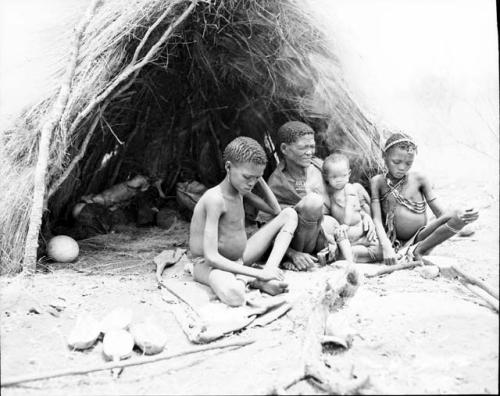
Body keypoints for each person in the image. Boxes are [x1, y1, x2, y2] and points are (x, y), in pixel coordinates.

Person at [189, 137, 298, 307]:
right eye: (247, 177)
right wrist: (256, 273)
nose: (252, 183)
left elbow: (276, 210)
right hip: (209, 265)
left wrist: (256, 175)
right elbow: (211, 257)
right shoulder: (215, 199)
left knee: (289, 214)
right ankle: (254, 278)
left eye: (256, 178)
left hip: (239, 259)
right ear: (228, 167)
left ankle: (267, 271)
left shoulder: (240, 189)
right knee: (235, 295)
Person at [370, 132, 479, 265]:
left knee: (458, 214)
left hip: (421, 237)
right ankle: (405, 252)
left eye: (408, 163)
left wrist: (458, 219)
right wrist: (386, 247)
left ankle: (419, 251)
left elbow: (440, 214)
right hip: (392, 243)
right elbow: (376, 219)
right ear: (384, 155)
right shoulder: (378, 182)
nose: (402, 167)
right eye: (396, 162)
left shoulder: (419, 179)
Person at [266, 121, 354, 271]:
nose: (309, 152)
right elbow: (268, 228)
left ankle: (333, 255)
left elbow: (346, 189)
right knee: (313, 201)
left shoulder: (321, 166)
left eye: (312, 146)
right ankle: (296, 258)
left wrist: (364, 215)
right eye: (303, 147)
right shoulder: (277, 182)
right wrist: (293, 254)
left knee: (374, 246)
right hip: (298, 240)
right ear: (284, 149)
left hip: (330, 232)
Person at [322, 153, 382, 263]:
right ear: (326, 177)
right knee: (339, 235)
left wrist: (345, 223)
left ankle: (343, 255)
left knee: (379, 248)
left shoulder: (348, 188)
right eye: (334, 177)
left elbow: (349, 206)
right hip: (345, 234)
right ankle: (348, 257)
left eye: (343, 176)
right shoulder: (329, 194)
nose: (339, 180)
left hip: (359, 228)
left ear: (349, 174)